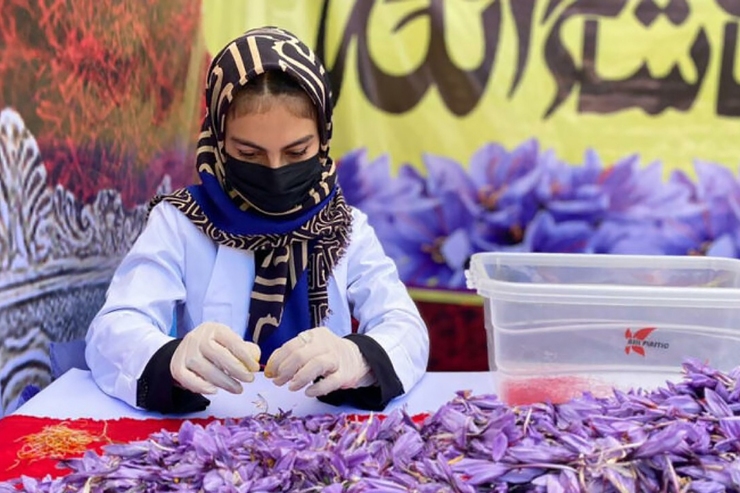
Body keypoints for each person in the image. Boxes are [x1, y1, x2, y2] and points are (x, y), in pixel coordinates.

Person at [84, 26, 430, 414]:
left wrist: (359, 358)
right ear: (218, 140)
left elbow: (405, 326)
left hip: (326, 435)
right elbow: (112, 330)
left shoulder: (343, 226)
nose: (276, 171)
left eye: (298, 151)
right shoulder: (181, 222)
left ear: (323, 139)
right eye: (249, 154)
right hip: (207, 434)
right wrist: (173, 357)